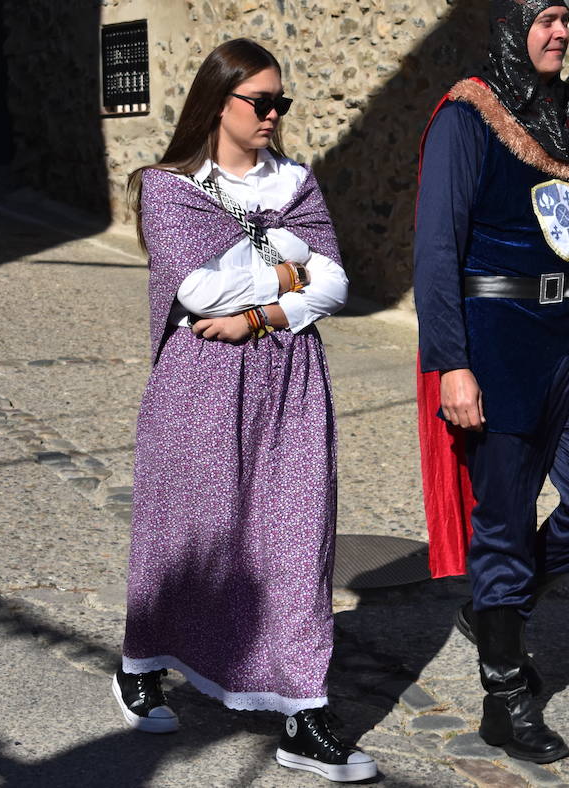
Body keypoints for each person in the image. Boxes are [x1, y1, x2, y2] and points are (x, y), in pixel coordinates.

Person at [413, 0, 569, 765]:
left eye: (564, 20)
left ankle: (500, 608)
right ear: (513, 26)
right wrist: (452, 363)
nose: (558, 32)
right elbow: (436, 251)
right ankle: (505, 696)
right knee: (503, 520)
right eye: (545, 21)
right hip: (499, 337)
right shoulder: (468, 116)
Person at [116, 39, 376, 782]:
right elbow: (199, 293)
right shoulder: (168, 187)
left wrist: (262, 310)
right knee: (189, 534)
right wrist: (288, 275)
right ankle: (143, 664)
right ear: (217, 102)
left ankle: (305, 716)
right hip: (198, 381)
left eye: (279, 103)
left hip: (289, 375)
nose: (272, 115)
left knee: (297, 540)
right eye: (259, 102)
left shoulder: (295, 182)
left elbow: (336, 286)